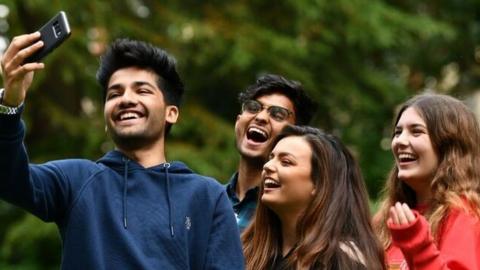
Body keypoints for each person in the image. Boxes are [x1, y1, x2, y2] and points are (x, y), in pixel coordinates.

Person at [0, 32, 244, 269]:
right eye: (114, 94)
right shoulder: (77, 180)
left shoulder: (207, 196)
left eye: (142, 90)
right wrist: (10, 104)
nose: (125, 99)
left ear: (172, 113)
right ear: (107, 120)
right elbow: (9, 178)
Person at [242, 125, 386, 269]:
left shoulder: (342, 261)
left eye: (286, 162)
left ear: (319, 183)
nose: (268, 166)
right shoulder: (248, 249)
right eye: (270, 158)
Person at [374, 93, 480, 269]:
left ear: (448, 146)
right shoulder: (385, 218)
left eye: (416, 131)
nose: (400, 141)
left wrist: (417, 246)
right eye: (397, 132)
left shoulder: (466, 216)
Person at [226, 74, 316, 231]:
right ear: (238, 120)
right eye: (253, 107)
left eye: (278, 114)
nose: (260, 117)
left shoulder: (291, 216)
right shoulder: (209, 198)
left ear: (297, 135)